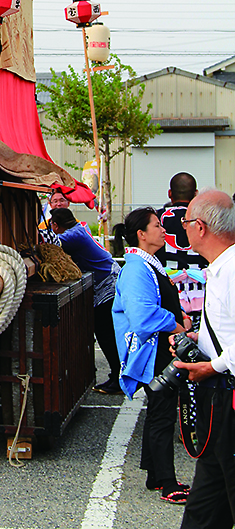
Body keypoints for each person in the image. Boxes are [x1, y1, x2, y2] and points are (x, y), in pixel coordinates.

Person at [112, 208, 191, 504]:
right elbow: (142, 315)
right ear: (142, 235)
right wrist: (177, 323)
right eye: (157, 226)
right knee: (161, 415)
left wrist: (177, 316)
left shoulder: (147, 263)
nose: (163, 230)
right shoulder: (135, 268)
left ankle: (156, 476)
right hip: (153, 351)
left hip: (158, 349)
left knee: (160, 412)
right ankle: (167, 483)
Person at [172, 190, 235, 529]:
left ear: (199, 227)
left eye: (185, 222)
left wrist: (212, 365)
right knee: (206, 503)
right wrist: (202, 340)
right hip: (220, 399)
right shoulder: (222, 267)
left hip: (229, 395)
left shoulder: (231, 270)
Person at [50, 202, 121, 394]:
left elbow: (48, 244)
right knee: (106, 334)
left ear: (55, 225)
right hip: (106, 280)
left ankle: (118, 378)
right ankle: (117, 376)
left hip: (107, 284)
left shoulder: (73, 235)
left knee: (106, 334)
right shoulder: (80, 228)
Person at [157, 172, 206, 271]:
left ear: (170, 193)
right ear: (196, 194)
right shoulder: (206, 218)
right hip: (199, 280)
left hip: (166, 279)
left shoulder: (156, 218)